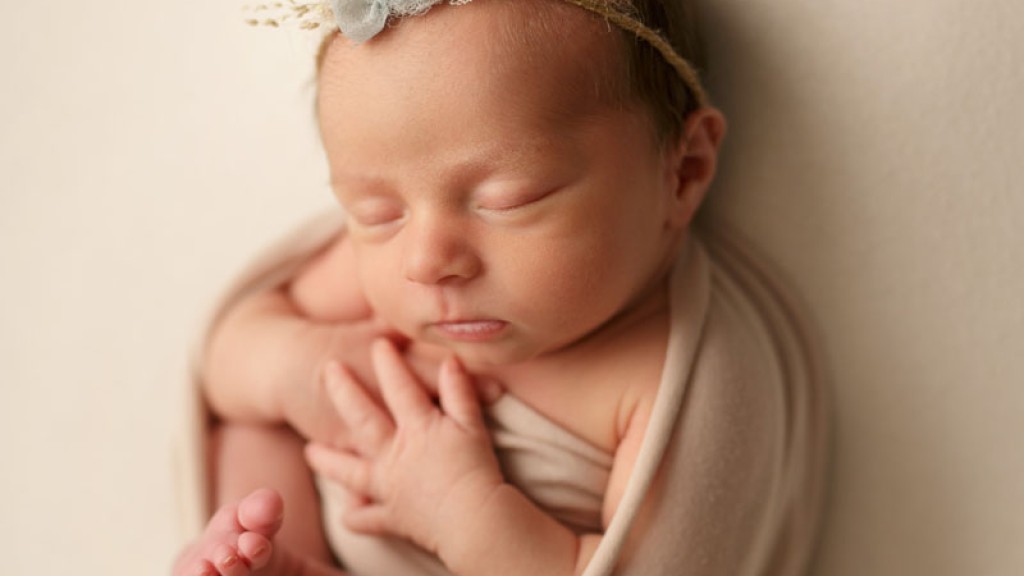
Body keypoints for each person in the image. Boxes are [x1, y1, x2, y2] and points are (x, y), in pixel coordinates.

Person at [174, 1, 827, 575]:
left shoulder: (680, 373)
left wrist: (461, 511)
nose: (427, 261)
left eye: (508, 201)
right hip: (322, 544)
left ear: (681, 172)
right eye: (377, 213)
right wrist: (299, 371)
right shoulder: (378, 266)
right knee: (254, 422)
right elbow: (227, 357)